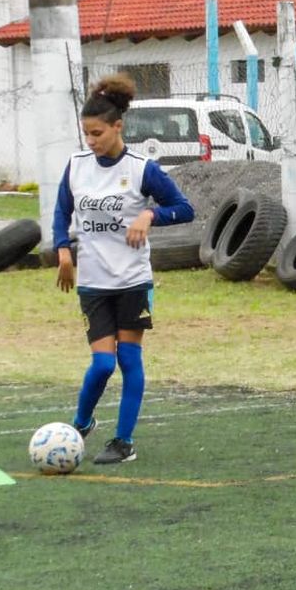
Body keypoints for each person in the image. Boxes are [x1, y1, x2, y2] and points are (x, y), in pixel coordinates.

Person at [53, 74, 194, 464]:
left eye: (97, 133)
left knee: (129, 360)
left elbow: (185, 209)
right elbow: (62, 211)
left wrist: (149, 214)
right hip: (94, 283)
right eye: (86, 133)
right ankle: (81, 424)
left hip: (132, 280)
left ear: (118, 126)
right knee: (101, 364)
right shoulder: (76, 166)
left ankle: (123, 442)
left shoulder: (143, 169)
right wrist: (63, 250)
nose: (91, 141)